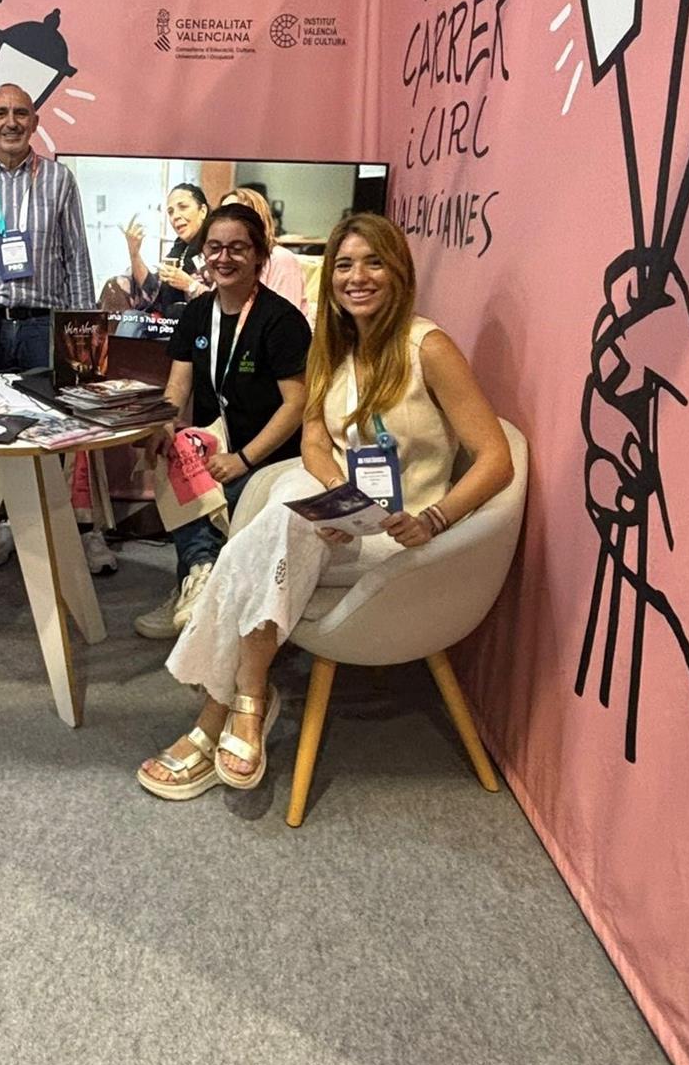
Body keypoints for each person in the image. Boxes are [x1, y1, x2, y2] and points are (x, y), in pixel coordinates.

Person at [137, 212, 514, 800]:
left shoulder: (428, 347)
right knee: (279, 533)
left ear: (398, 271)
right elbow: (314, 440)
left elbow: (496, 459)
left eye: (373, 263)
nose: (356, 277)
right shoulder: (334, 348)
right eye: (344, 265)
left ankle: (226, 709)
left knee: (254, 551)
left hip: (405, 535)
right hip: (345, 515)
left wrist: (433, 519)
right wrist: (343, 498)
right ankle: (242, 701)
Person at [0, 82, 103, 569]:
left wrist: (82, 332)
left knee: (48, 428)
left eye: (20, 113)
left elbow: (76, 256)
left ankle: (39, 526)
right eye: (0, 113)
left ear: (35, 121)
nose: (10, 122)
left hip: (41, 324)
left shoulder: (59, 179)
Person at [134, 203, 310, 640]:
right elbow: (177, 389)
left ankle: (199, 579)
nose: (223, 258)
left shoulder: (282, 320)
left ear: (258, 254)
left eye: (237, 248)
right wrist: (163, 425)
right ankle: (197, 579)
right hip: (213, 444)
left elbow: (296, 405)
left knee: (208, 486)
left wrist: (243, 459)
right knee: (173, 452)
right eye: (214, 247)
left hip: (269, 456)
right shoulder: (197, 313)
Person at [104, 182, 210, 316]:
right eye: (170, 212)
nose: (175, 216)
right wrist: (134, 252)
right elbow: (153, 292)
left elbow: (223, 301)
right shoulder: (179, 250)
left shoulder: (215, 248)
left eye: (183, 207)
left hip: (201, 324)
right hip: (168, 319)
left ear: (202, 211)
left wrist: (189, 285)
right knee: (116, 287)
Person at [220, 186, 310, 319]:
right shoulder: (224, 261)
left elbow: (284, 319)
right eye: (222, 215)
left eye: (236, 216)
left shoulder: (281, 259)